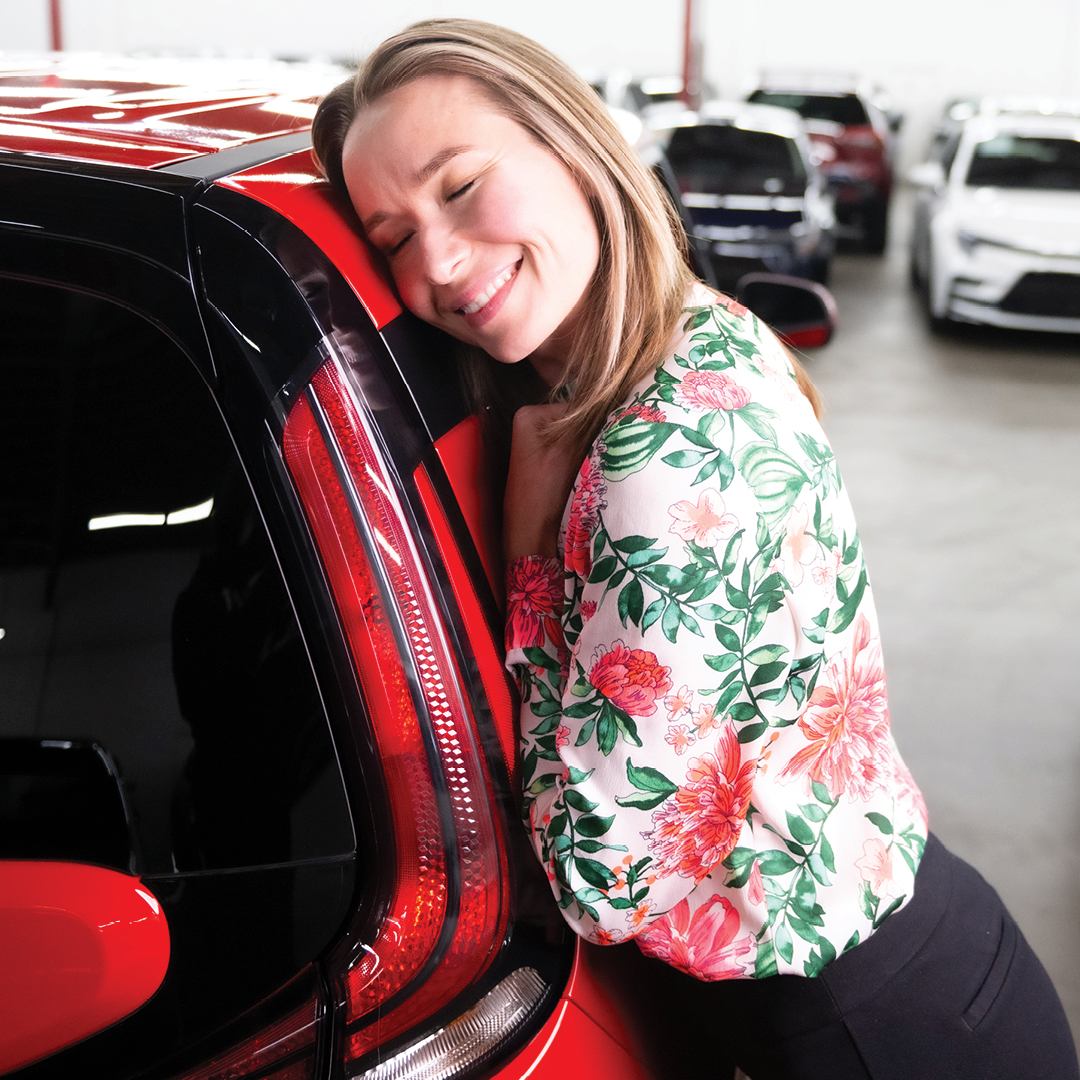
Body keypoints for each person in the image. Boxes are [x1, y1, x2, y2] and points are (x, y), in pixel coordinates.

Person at [312, 20, 1078, 1079]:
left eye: (460, 186)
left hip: (861, 1031)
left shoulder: (658, 461)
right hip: (909, 964)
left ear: (576, 149)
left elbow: (599, 878)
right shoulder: (688, 329)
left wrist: (532, 554)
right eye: (392, 235)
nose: (435, 259)